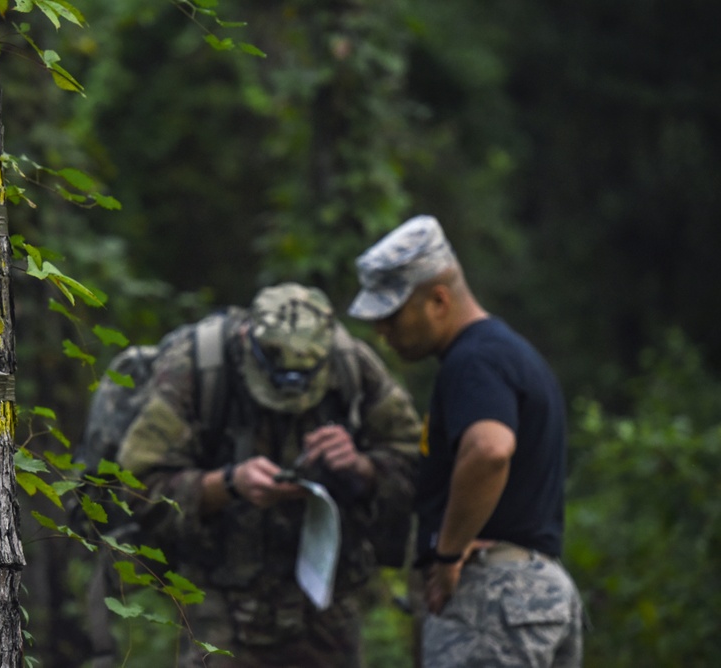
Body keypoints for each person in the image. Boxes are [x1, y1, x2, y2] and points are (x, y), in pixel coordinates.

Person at [116, 282, 422, 667]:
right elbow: (138, 485)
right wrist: (226, 485)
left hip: (328, 607)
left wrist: (361, 465)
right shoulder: (198, 370)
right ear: (247, 340)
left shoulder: (353, 368)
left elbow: (415, 466)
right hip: (222, 608)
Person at [348, 215, 584, 667]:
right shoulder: (509, 353)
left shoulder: (474, 360)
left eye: (392, 315)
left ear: (438, 300)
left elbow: (490, 449)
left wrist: (449, 552)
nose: (383, 332)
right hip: (538, 592)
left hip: (493, 600)